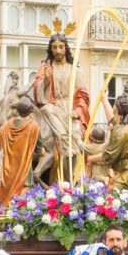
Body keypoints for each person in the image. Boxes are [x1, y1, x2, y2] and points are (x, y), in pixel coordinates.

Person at [32, 24, 90, 182]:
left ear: (66, 48)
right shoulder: (46, 68)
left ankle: (70, 181)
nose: (58, 51)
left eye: (61, 47)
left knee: (74, 149)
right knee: (47, 110)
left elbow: (83, 95)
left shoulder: (75, 70)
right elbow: (38, 96)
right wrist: (46, 79)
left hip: (70, 110)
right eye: (54, 47)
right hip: (53, 108)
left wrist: (77, 110)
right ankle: (63, 136)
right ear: (50, 49)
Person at [87, 94, 128, 192]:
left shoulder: (122, 131)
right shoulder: (124, 126)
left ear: (117, 109)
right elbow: (112, 119)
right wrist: (104, 100)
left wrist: (89, 159)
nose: (113, 105)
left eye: (115, 104)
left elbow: (108, 156)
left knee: (112, 191)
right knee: (114, 192)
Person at [0, 96, 41, 206]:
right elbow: (40, 151)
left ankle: (6, 207)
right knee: (27, 187)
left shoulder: (8, 124)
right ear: (31, 111)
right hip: (23, 165)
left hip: (7, 167)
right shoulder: (34, 127)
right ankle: (14, 209)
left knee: (6, 189)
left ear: (17, 110)